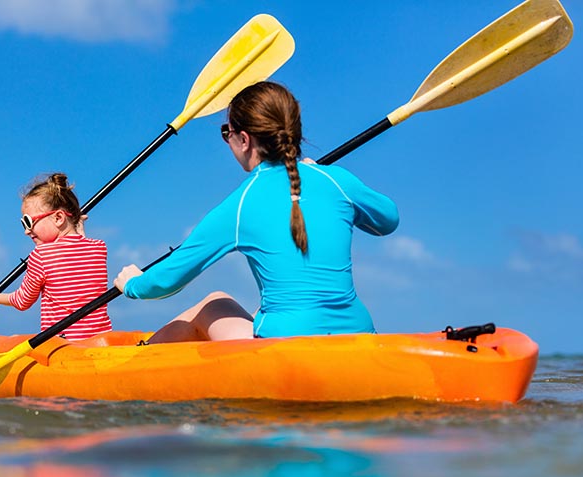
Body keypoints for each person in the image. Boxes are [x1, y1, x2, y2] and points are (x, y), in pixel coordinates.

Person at [113, 81, 398, 343]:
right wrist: (326, 175)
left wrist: (132, 284)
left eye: (227, 133)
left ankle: (136, 362)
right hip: (360, 335)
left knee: (214, 303)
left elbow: (166, 280)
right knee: (258, 306)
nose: (228, 142)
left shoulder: (241, 203)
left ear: (245, 139)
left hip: (283, 344)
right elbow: (388, 220)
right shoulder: (336, 180)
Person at [0, 172, 112, 340]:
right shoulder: (99, 248)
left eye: (28, 222)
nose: (27, 231)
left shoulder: (40, 256)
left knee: (14, 338)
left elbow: (22, 301)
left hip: (64, 345)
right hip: (101, 341)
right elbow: (78, 253)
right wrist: (78, 229)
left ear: (58, 217)